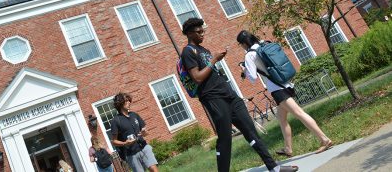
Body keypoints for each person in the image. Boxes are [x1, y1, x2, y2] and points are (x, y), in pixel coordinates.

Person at [181, 18, 298, 172]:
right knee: (225, 139)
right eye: (199, 32)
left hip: (230, 95)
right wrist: (214, 59)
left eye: (203, 30)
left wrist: (215, 59)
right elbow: (197, 77)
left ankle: (273, 167)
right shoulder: (188, 52)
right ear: (190, 33)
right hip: (213, 98)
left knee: (251, 130)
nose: (203, 34)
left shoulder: (204, 50)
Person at [237, 30, 333, 157]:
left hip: (278, 90)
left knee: (299, 113)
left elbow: (253, 79)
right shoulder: (263, 45)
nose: (241, 47)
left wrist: (245, 70)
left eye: (240, 44)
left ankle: (324, 140)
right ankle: (288, 149)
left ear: (244, 43)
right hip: (286, 83)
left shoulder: (249, 55)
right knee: (282, 119)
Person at [110, 92, 158, 172]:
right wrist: (125, 143)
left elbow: (145, 132)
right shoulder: (115, 121)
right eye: (126, 101)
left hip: (144, 147)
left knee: (154, 169)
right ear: (120, 103)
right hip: (131, 154)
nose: (129, 102)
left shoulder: (134, 115)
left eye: (129, 100)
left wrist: (144, 132)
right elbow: (114, 141)